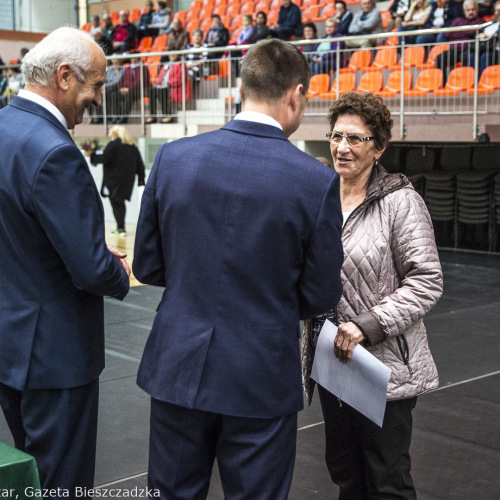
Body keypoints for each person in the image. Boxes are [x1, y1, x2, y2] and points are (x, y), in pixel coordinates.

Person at [132, 38, 344, 499]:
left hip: (178, 366)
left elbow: (147, 266)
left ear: (241, 88)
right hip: (260, 374)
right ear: (295, 94)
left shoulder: (172, 158)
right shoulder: (317, 181)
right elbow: (321, 294)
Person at [0, 27, 130, 494]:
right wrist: (117, 269)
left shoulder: (4, 128)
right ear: (64, 77)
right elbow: (91, 269)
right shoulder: (55, 151)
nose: (96, 98)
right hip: (54, 355)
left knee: (29, 479)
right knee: (62, 484)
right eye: (95, 85)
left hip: (10, 346)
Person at [302, 91, 443, 499]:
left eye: (356, 138)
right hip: (331, 360)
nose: (342, 147)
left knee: (387, 481)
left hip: (383, 368)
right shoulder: (322, 196)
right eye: (336, 135)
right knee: (347, 475)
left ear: (379, 147)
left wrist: (369, 324)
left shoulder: (401, 202)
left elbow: (427, 281)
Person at [89, 125, 145, 236]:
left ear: (115, 134)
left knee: (116, 204)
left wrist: (92, 154)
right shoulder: (133, 147)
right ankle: (121, 228)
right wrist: (141, 179)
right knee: (121, 204)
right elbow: (140, 165)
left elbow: (104, 159)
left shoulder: (112, 146)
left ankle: (120, 228)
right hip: (127, 182)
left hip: (112, 182)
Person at [435, 0, 484, 81]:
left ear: (477, 10)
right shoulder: (458, 20)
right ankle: (442, 84)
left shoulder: (480, 21)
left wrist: (459, 31)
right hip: (453, 50)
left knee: (467, 57)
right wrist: (467, 33)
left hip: (467, 49)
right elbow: (448, 34)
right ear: (464, 11)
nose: (471, 12)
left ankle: (464, 82)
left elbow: (473, 32)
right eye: (468, 10)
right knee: (439, 58)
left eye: (473, 9)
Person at [147, 52, 191, 123]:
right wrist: (159, 84)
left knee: (162, 91)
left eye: (174, 53)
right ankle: (152, 116)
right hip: (163, 86)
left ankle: (168, 115)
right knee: (152, 91)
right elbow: (160, 77)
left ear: (178, 54)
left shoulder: (181, 65)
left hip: (174, 87)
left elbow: (180, 79)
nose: (172, 55)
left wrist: (167, 85)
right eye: (171, 53)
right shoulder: (166, 65)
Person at [468, 0, 500, 75]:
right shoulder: (489, 23)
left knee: (485, 56)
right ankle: (472, 81)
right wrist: (480, 35)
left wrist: (491, 35)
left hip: (496, 50)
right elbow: (479, 32)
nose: (497, 13)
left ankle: (484, 80)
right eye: (496, 10)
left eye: (499, 10)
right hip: (485, 47)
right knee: (472, 55)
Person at [118, 55, 151, 122]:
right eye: (132, 58)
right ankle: (114, 117)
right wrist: (121, 88)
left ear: (138, 58)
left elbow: (140, 82)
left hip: (140, 90)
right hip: (128, 90)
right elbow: (121, 80)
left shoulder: (143, 68)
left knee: (129, 95)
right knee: (114, 95)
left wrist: (128, 89)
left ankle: (124, 117)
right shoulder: (128, 68)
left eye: (135, 58)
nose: (133, 59)